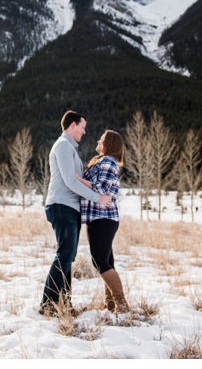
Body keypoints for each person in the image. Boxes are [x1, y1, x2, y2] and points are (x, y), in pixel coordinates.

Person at [40, 111, 111, 315]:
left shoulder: (70, 148)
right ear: (72, 125)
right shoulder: (63, 146)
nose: (85, 131)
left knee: (67, 256)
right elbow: (71, 181)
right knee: (65, 254)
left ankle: (65, 304)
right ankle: (47, 305)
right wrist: (98, 198)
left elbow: (77, 180)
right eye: (83, 126)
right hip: (62, 206)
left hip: (69, 208)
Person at [75, 129, 129, 313]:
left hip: (103, 218)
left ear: (109, 144)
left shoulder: (107, 161)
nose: (99, 139)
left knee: (99, 261)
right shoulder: (104, 161)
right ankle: (111, 304)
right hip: (100, 218)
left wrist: (79, 180)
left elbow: (103, 188)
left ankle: (121, 303)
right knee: (106, 261)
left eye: (103, 138)